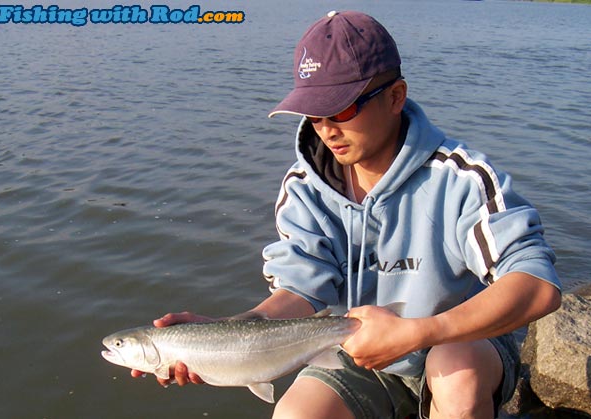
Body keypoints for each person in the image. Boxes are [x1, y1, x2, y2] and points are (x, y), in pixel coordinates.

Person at [133, 10, 562, 419]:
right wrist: (226, 333)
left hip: (460, 341)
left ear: (396, 96)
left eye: (341, 109)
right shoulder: (305, 187)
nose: (326, 129)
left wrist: (421, 332)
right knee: (295, 413)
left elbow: (538, 285)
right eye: (314, 113)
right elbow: (301, 289)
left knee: (457, 376)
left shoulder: (461, 178)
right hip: (356, 348)